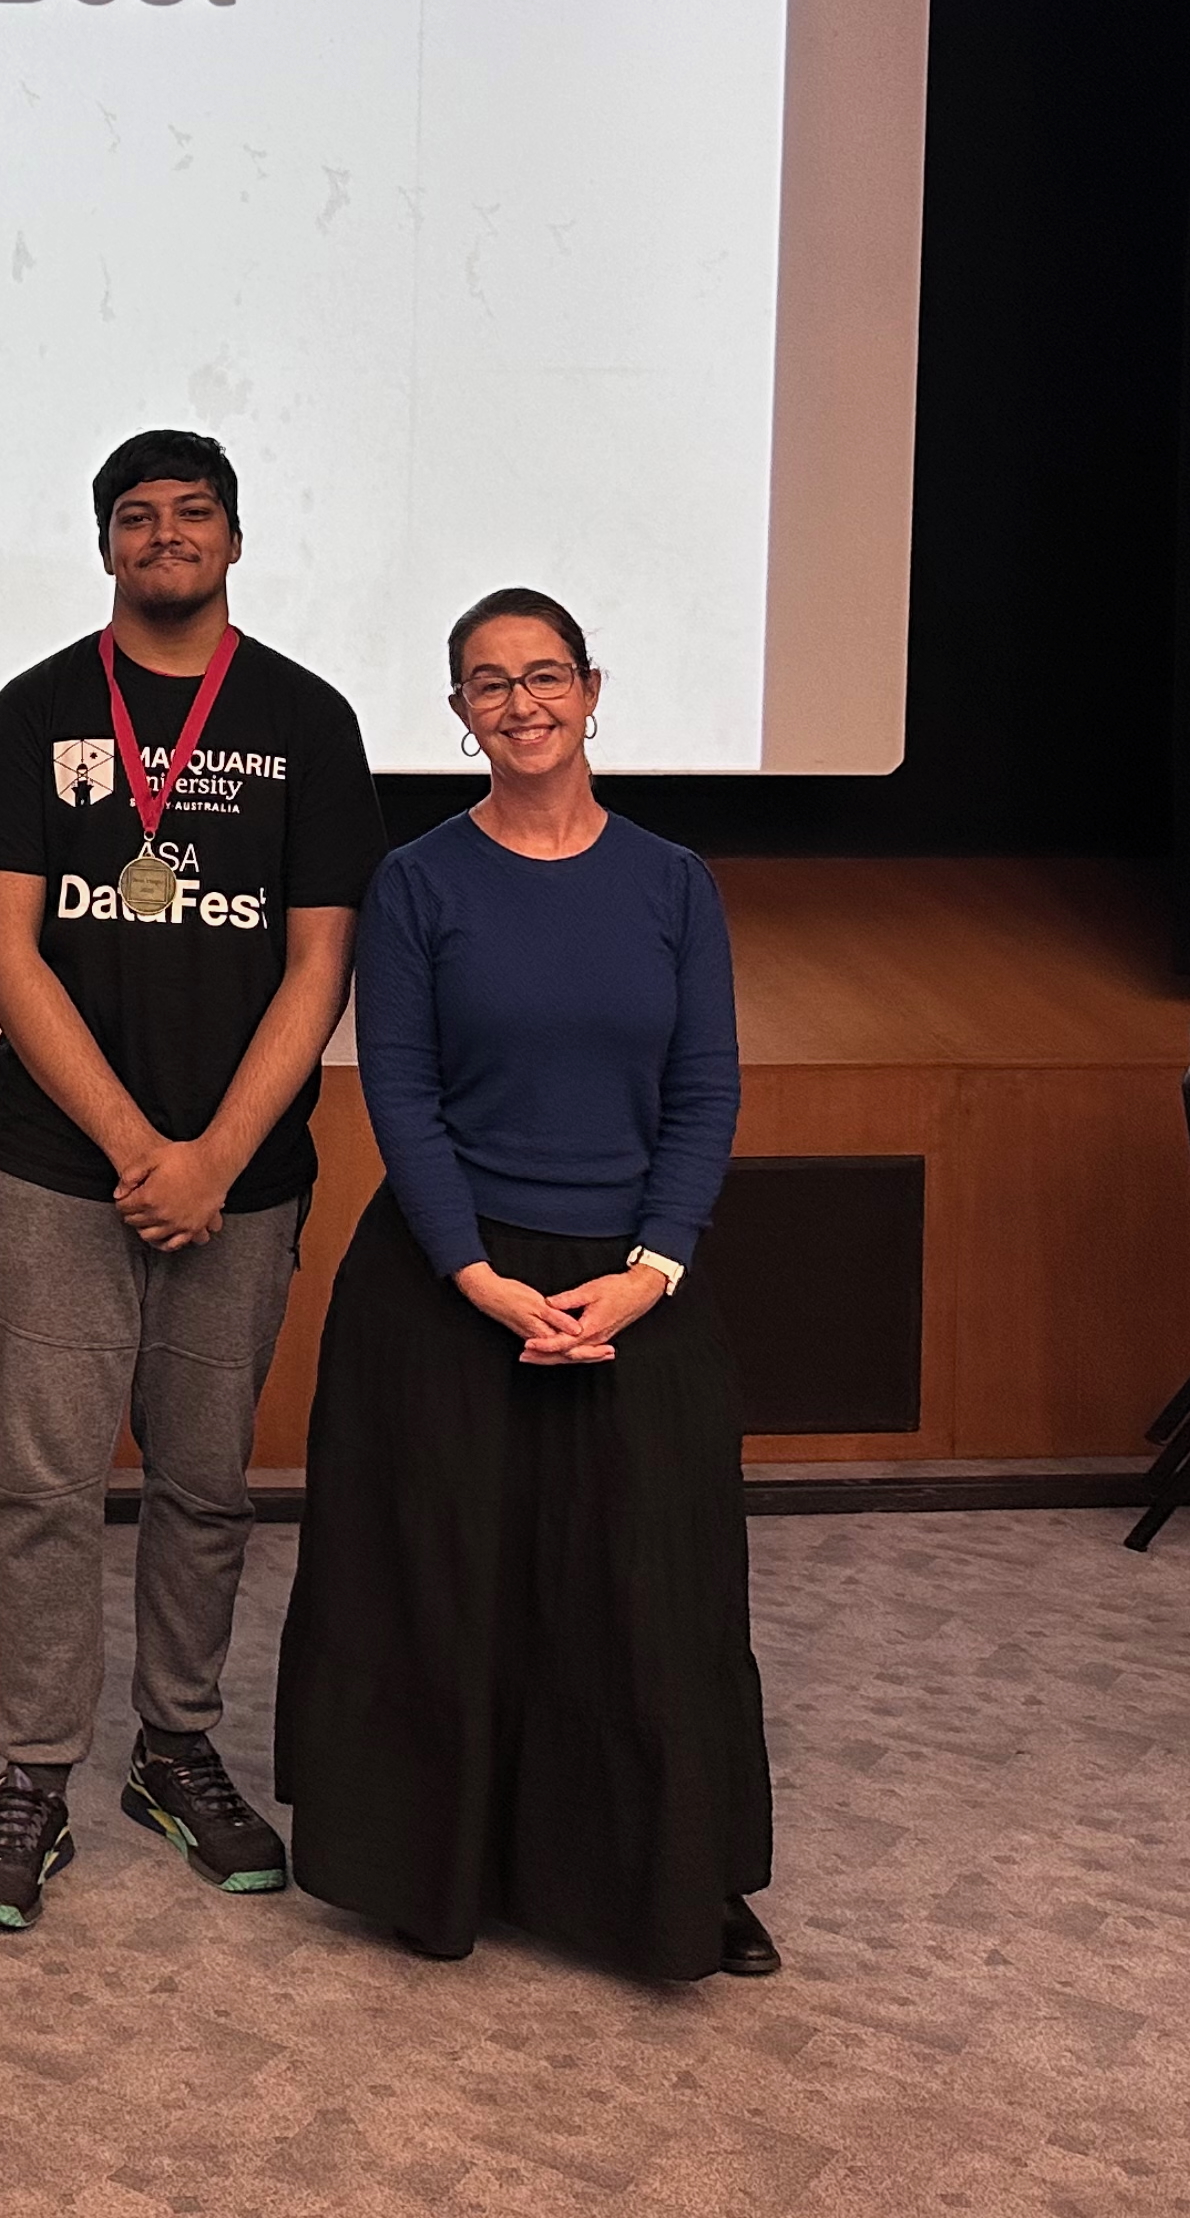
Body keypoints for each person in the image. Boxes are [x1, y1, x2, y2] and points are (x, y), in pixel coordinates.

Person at [274, 587, 773, 1979]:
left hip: (634, 1282)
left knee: (651, 1598)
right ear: (457, 715)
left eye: (544, 675)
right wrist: (479, 1278)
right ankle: (435, 1875)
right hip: (456, 1279)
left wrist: (652, 1269)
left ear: (593, 689)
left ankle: (678, 1883)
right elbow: (406, 1093)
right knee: (448, 1591)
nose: (521, 704)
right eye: (488, 684)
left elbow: (704, 1087)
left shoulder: (672, 882)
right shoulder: (423, 882)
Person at [0, 428, 383, 1930]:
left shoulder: (308, 722)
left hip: (240, 1185)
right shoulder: (35, 710)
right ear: (107, 545)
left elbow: (322, 963)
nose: (166, 536)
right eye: (138, 517)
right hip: (66, 1174)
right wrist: (142, 1152)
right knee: (48, 1491)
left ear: (236, 543)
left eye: (195, 515)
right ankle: (36, 1771)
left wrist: (211, 1160)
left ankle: (175, 1745)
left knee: (204, 1488)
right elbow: (5, 948)